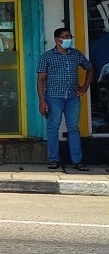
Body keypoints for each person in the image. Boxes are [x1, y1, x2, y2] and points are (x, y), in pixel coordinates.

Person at [37, 27, 93, 171]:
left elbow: (89, 68)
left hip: (73, 97)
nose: (69, 39)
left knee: (74, 128)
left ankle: (77, 160)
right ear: (57, 39)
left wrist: (85, 86)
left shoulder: (76, 54)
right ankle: (54, 159)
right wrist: (42, 101)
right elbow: (41, 80)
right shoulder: (47, 57)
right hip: (53, 97)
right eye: (66, 36)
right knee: (53, 128)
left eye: (70, 36)